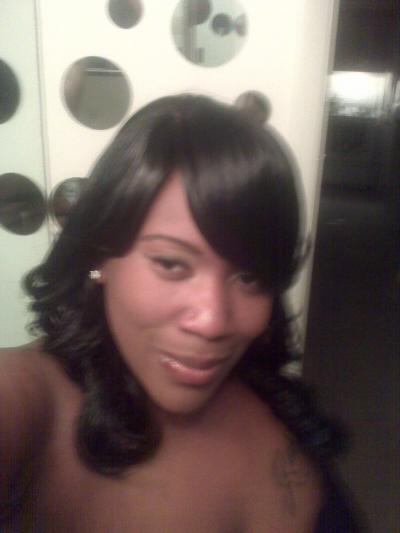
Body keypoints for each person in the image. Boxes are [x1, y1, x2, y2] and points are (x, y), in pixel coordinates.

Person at [0, 94, 359, 532]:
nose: (213, 321)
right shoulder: (32, 401)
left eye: (249, 276)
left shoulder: (270, 400)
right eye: (171, 264)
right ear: (99, 256)